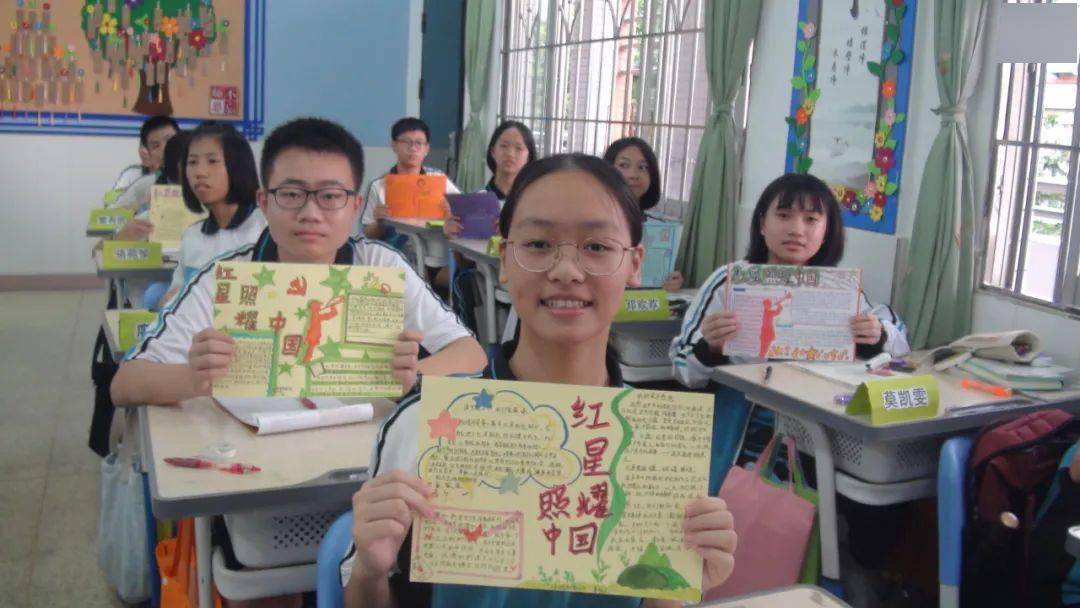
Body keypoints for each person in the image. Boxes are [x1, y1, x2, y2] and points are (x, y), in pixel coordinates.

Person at [341, 154, 737, 608]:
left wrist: (684, 587)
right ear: (504, 258)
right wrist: (371, 571)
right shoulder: (422, 424)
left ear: (634, 264)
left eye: (596, 247)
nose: (566, 270)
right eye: (538, 244)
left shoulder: (655, 446)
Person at [111, 117, 487, 407]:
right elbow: (125, 383)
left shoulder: (378, 266)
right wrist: (194, 379)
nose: (310, 212)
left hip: (361, 459)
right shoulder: (228, 279)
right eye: (291, 193)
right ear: (263, 201)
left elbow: (471, 353)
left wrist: (413, 376)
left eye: (330, 195)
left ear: (356, 205)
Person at [670, 172, 910, 493]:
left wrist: (876, 336)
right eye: (783, 216)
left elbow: (900, 349)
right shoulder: (728, 283)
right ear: (762, 224)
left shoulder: (837, 289)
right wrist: (709, 348)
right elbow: (683, 371)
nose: (797, 229)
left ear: (826, 232)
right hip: (744, 426)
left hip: (816, 430)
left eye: (811, 219)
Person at [160, 122, 267, 303]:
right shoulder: (192, 235)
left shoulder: (265, 230)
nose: (200, 172)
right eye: (192, 162)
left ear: (237, 165)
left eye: (212, 161)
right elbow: (176, 291)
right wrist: (170, 301)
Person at [603, 137, 683, 291]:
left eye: (643, 167)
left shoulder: (661, 230)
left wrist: (671, 281)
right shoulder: (591, 223)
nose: (633, 174)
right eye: (624, 165)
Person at [111, 114, 180, 192]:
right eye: (156, 146)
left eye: (169, 139)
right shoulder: (138, 177)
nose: (164, 148)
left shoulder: (193, 172)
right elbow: (109, 201)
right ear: (149, 153)